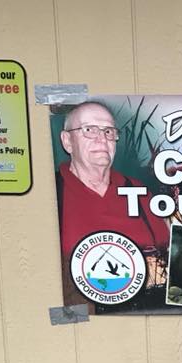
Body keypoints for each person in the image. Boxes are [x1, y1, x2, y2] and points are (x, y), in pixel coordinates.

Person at [57, 100, 169, 258]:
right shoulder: (52, 193)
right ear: (67, 141)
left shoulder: (137, 191)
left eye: (108, 131)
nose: (102, 139)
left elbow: (167, 252)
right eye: (89, 129)